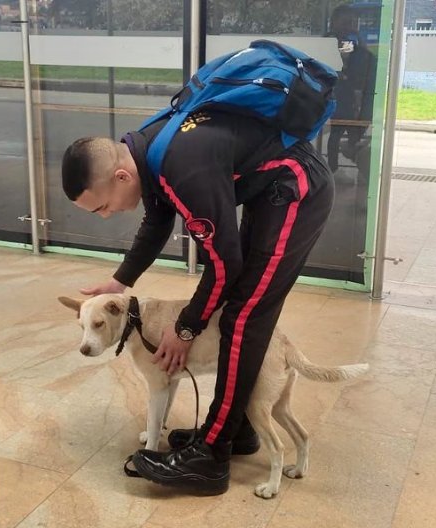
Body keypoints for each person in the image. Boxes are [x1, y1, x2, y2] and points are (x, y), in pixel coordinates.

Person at [61, 107, 335, 495]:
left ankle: (210, 456)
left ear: (121, 177)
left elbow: (223, 265)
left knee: (242, 319)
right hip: (269, 191)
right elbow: (157, 221)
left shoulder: (181, 166)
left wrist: (185, 327)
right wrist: (119, 281)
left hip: (296, 192)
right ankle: (238, 428)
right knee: (237, 310)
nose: (106, 216)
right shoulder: (143, 153)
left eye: (102, 206)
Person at [326, 4, 377, 176]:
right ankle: (333, 167)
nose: (349, 26)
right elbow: (338, 62)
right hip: (335, 94)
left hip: (349, 95)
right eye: (346, 22)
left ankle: (351, 151)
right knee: (336, 133)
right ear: (334, 23)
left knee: (350, 131)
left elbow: (359, 57)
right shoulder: (329, 40)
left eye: (353, 23)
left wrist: (357, 38)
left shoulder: (348, 42)